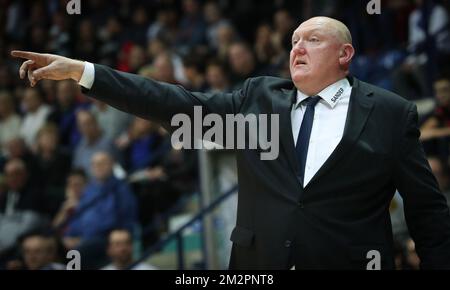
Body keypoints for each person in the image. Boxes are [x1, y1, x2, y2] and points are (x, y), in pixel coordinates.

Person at [11, 16, 450, 269]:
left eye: (312, 40)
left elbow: (428, 212)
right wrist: (85, 72)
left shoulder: (391, 113)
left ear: (344, 55)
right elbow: (172, 102)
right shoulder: (258, 98)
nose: (297, 47)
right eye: (294, 40)